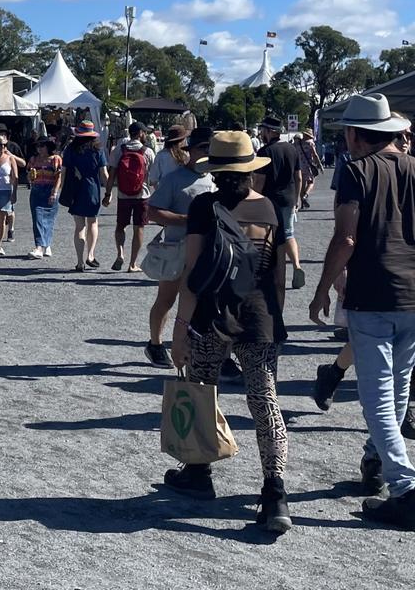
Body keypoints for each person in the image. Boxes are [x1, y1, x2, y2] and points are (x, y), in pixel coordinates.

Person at [167, 130, 291, 533]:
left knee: (202, 388)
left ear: (216, 170)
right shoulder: (270, 208)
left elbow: (192, 272)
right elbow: (277, 274)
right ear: (250, 170)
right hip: (260, 318)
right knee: (264, 400)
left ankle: (199, 470)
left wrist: (180, 329)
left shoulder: (205, 206)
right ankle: (275, 492)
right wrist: (274, 321)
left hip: (212, 317)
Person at [309, 93, 415, 529]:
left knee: (376, 398)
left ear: (354, 134)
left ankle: (405, 487)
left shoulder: (355, 172)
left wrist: (321, 291)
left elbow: (346, 238)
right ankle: (374, 460)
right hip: (413, 292)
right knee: (400, 385)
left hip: (373, 293)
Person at [143, 128, 215, 367]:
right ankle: (155, 344)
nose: (207, 153)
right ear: (191, 151)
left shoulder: (215, 178)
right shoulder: (174, 179)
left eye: (210, 148)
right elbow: (153, 212)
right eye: (203, 148)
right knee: (167, 299)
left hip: (208, 251)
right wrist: (187, 221)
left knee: (202, 301)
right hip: (177, 249)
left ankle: (194, 347)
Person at [253, 115, 305, 290]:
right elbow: (298, 177)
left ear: (269, 131)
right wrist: (297, 199)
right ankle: (297, 266)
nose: (261, 133)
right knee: (288, 233)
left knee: (271, 237)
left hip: (270, 201)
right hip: (289, 198)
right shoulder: (292, 149)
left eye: (263, 130)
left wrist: (254, 199)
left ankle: (275, 273)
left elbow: (259, 181)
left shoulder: (265, 152)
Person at [103, 121, 156, 272]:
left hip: (123, 195)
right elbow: (153, 178)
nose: (145, 134)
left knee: (121, 226)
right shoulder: (148, 152)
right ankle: (132, 264)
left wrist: (107, 194)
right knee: (139, 228)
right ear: (140, 134)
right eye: (144, 132)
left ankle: (120, 253)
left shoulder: (119, 150)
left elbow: (111, 175)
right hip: (142, 195)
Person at [63, 120, 109, 272]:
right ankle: (90, 254)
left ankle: (79, 261)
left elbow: (64, 171)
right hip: (92, 189)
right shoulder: (98, 150)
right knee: (93, 223)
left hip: (76, 188)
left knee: (79, 226)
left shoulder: (70, 149)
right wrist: (108, 193)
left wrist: (63, 190)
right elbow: (104, 174)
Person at [26, 136, 63, 260]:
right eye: (38, 146)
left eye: (42, 146)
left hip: (50, 189)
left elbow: (59, 177)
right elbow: (28, 176)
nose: (39, 149)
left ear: (48, 147)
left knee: (49, 220)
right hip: (36, 190)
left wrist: (54, 192)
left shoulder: (55, 159)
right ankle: (39, 246)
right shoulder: (33, 159)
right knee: (37, 218)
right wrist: (30, 176)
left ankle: (46, 244)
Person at [0, 125, 25, 242]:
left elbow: (23, 163)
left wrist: (11, 155)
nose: (1, 137)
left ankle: (11, 229)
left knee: (9, 210)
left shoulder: (14, 146)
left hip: (10, 182)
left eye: (4, 134)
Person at [296, 130, 323, 208]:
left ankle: (302, 204)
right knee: (311, 182)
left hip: (299, 166)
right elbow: (315, 155)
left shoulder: (297, 144)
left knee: (302, 185)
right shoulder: (310, 144)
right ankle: (306, 195)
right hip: (308, 166)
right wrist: (319, 165)